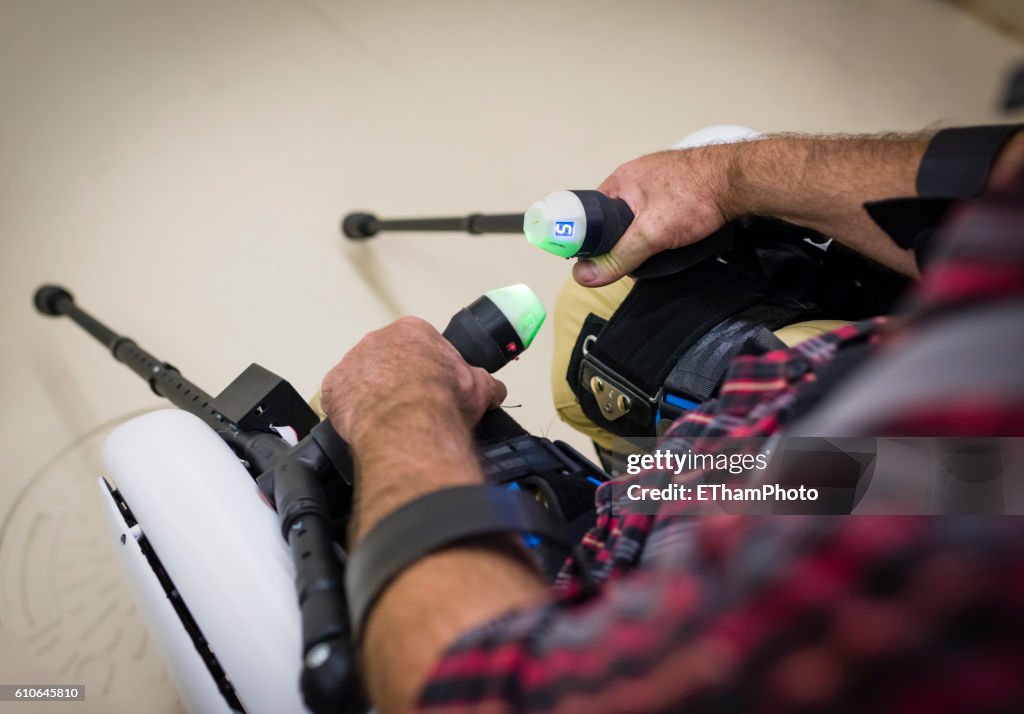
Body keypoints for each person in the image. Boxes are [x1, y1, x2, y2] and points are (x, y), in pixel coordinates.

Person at [320, 127, 1024, 713]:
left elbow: (472, 687)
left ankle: (647, 475)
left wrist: (398, 411)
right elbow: (998, 178)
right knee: (603, 310)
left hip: (814, 485)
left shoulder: (925, 554)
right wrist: (732, 173)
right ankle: (650, 474)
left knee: (599, 357)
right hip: (826, 423)